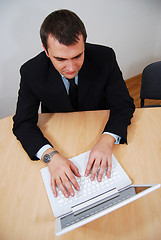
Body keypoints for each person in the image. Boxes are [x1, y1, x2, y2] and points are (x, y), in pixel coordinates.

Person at [13, 9, 135, 199]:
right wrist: (49, 156)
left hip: (99, 125)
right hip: (60, 134)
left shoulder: (105, 56)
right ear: (46, 51)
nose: (70, 68)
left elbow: (123, 105)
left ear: (84, 44)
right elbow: (22, 123)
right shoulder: (31, 71)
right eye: (60, 59)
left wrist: (107, 138)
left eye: (77, 56)